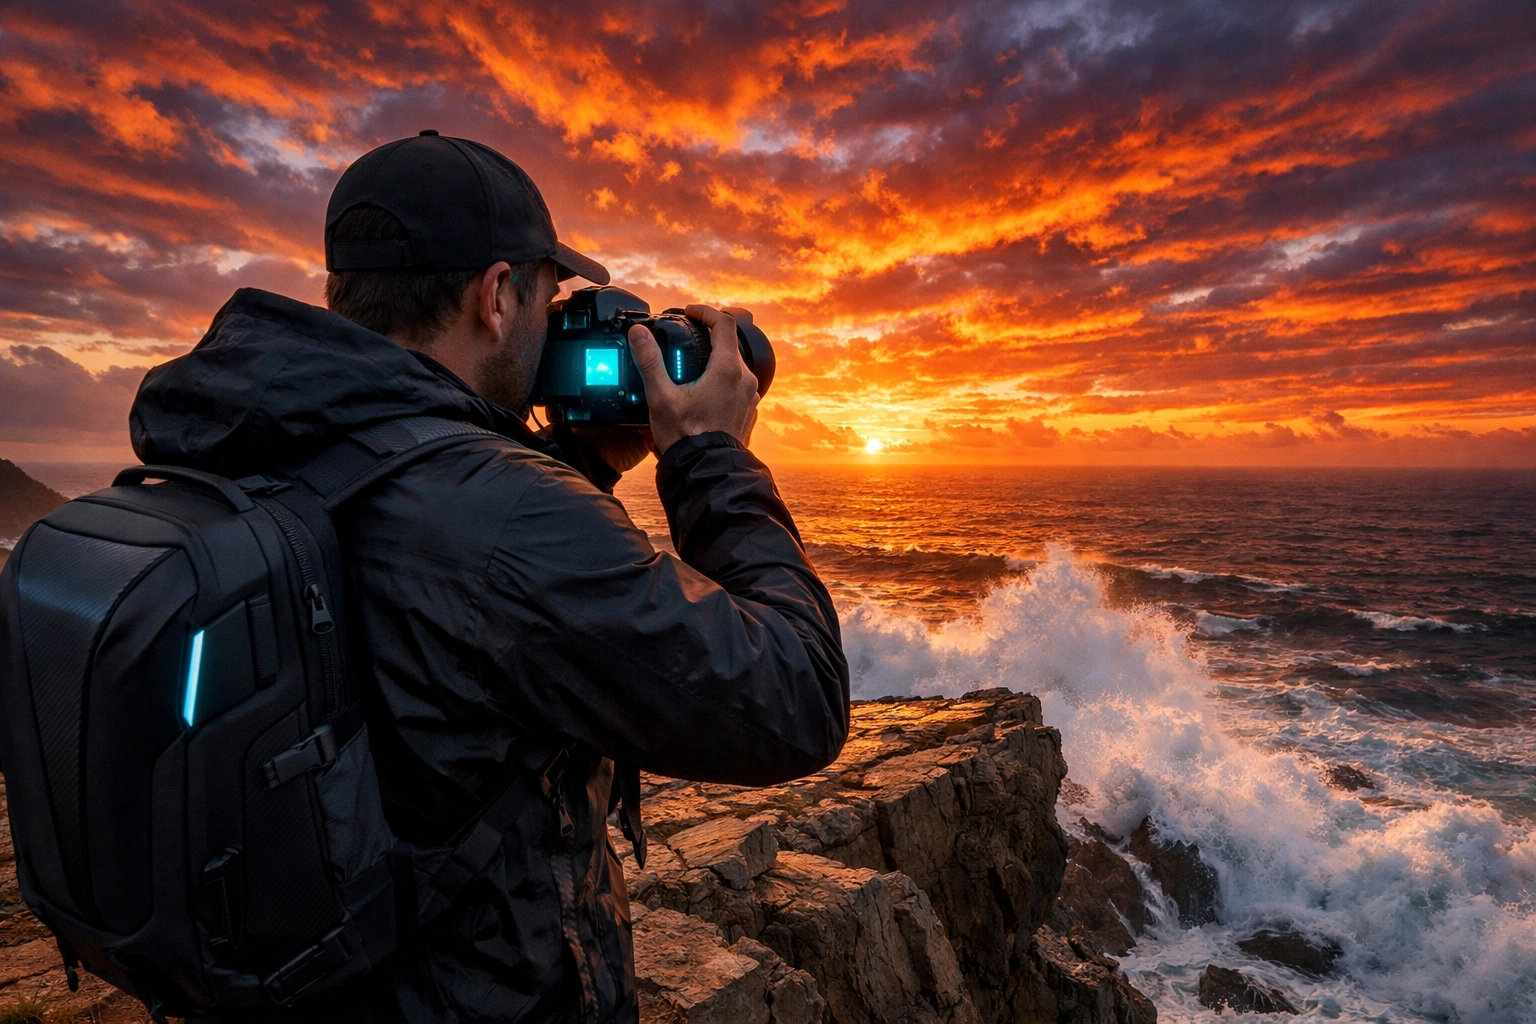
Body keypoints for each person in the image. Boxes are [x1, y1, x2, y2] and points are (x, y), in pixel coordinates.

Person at [128, 132, 850, 1022]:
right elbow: (797, 698)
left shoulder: (266, 437)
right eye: (552, 297)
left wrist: (575, 466)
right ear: (497, 297)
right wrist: (708, 461)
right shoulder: (503, 515)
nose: (555, 325)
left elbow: (445, 611)